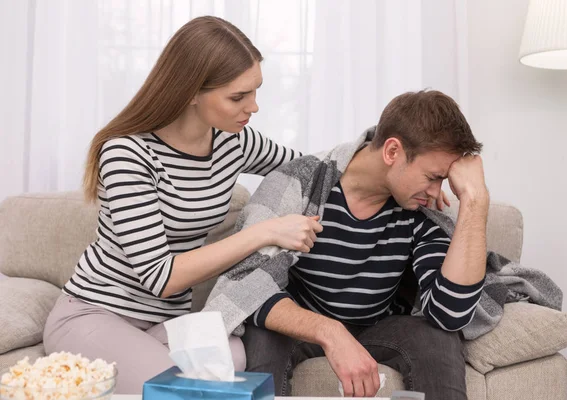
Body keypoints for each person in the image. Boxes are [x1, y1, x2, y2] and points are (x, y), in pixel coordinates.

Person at [42, 16, 325, 394]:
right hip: (94, 316)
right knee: (188, 388)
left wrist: (403, 171)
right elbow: (161, 278)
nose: (254, 107)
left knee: (237, 356)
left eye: (255, 92)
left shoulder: (233, 142)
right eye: (238, 97)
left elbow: (313, 169)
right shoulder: (128, 153)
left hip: (164, 328)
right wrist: (264, 232)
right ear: (191, 91)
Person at [205, 90, 488, 400]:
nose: (436, 190)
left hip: (380, 325)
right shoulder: (301, 182)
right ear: (392, 151)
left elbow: (449, 314)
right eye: (433, 176)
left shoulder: (423, 209)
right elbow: (245, 288)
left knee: (438, 337)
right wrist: (330, 332)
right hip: (303, 322)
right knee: (260, 336)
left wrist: (475, 202)